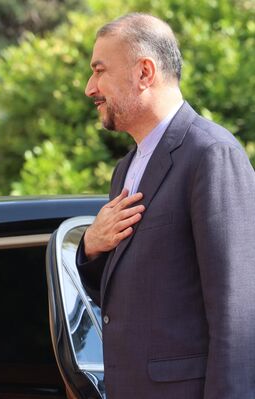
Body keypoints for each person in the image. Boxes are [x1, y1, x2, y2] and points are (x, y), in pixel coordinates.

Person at [76, 13, 255, 398]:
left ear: (144, 72)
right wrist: (92, 245)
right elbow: (125, 296)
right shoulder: (125, 170)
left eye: (99, 71)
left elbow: (238, 313)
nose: (90, 87)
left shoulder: (212, 153)